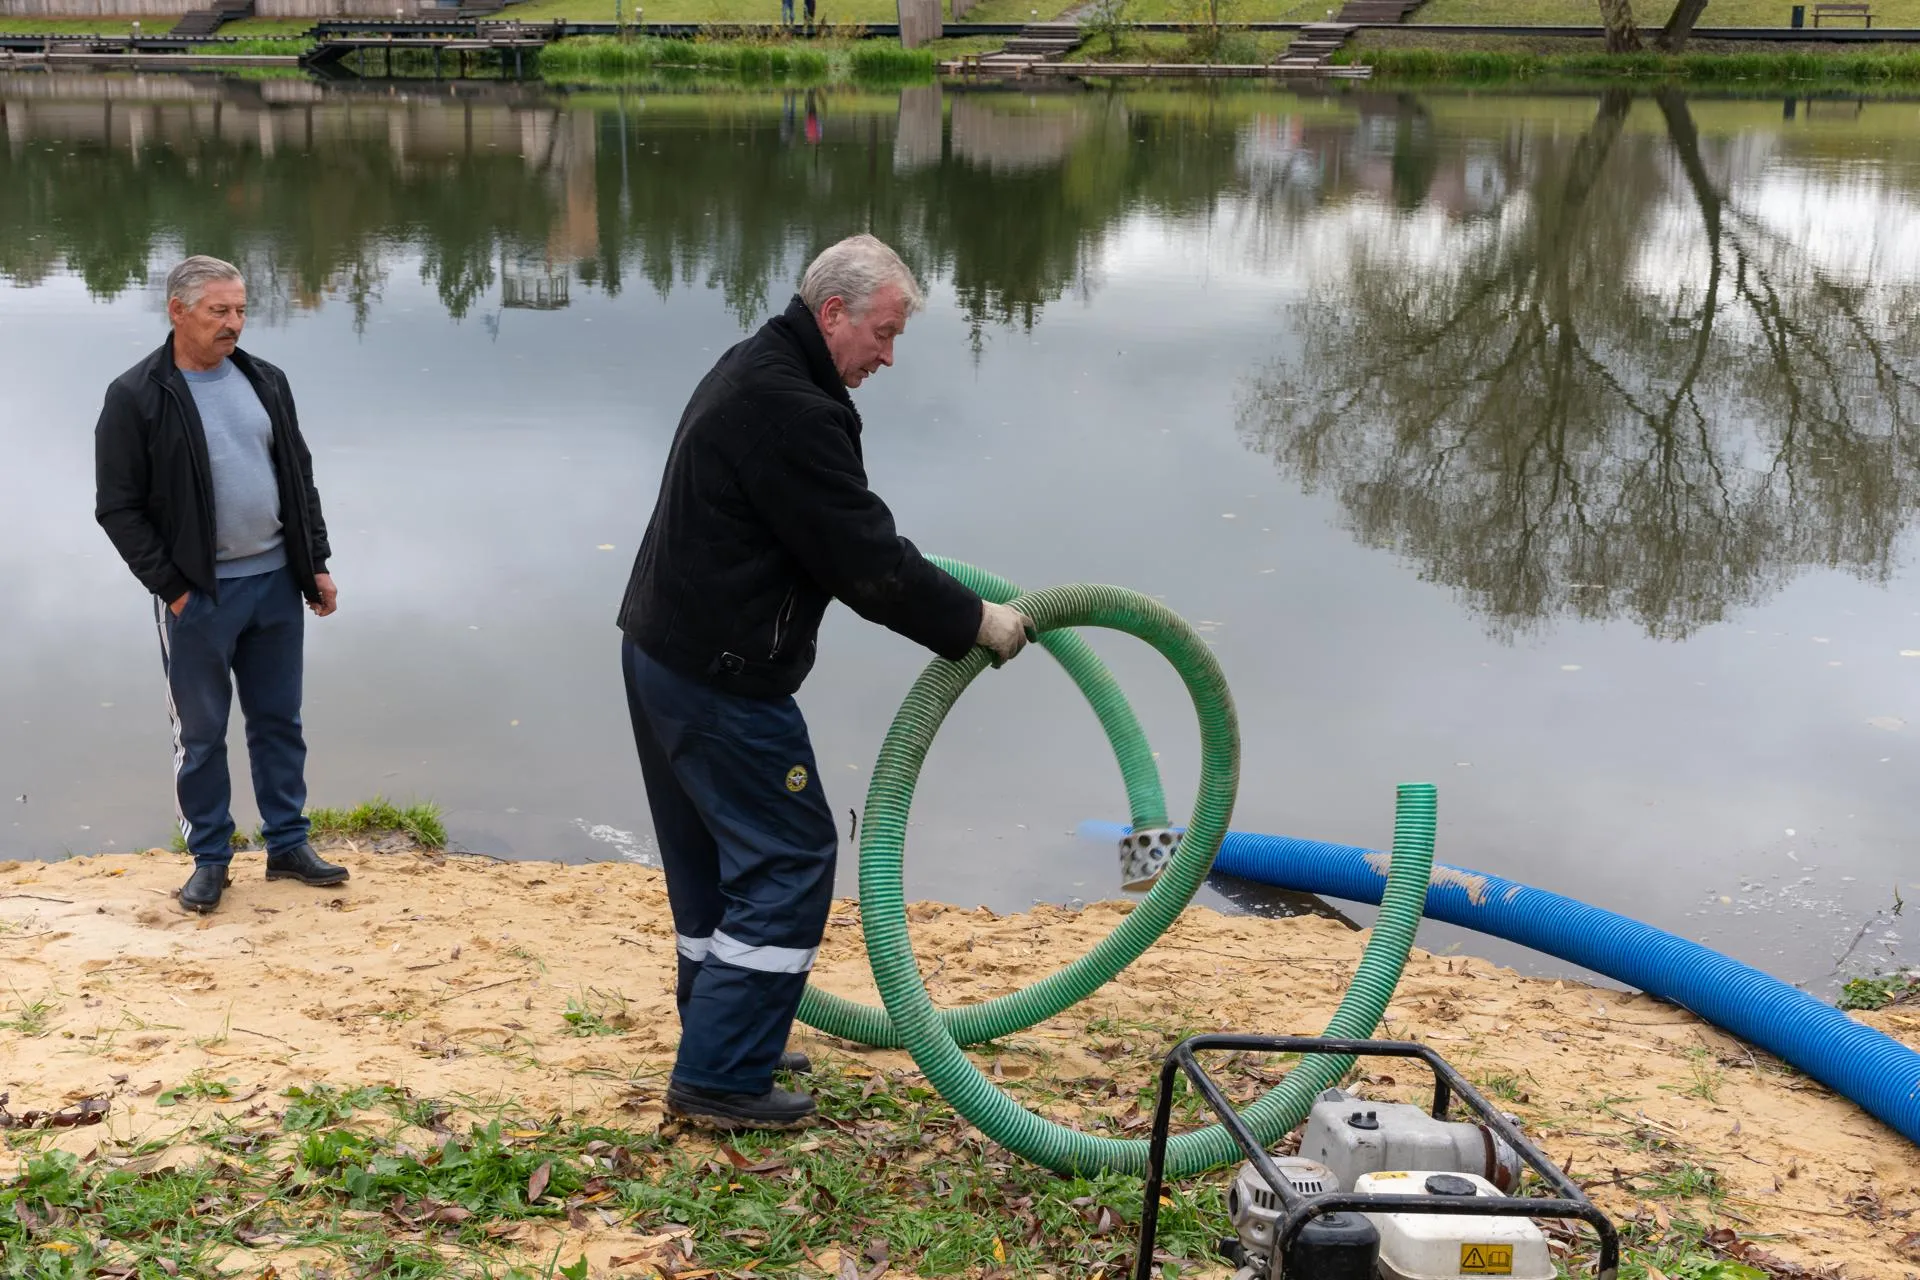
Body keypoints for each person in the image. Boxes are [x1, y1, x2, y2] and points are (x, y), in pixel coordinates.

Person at [617, 234, 1034, 1131]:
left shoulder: (758, 364)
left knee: (712, 863)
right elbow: (867, 562)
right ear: (833, 312)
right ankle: (720, 1078)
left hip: (663, 652)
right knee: (789, 854)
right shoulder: (792, 409)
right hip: (720, 676)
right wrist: (976, 622)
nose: (889, 357)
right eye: (884, 334)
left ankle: (725, 1037)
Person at [94, 255, 347, 916]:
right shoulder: (136, 395)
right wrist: (174, 590)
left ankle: (288, 844)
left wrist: (315, 563)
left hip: (276, 584)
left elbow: (298, 477)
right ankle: (210, 858)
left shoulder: (265, 380)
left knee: (279, 721)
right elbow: (118, 508)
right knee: (201, 735)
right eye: (219, 311)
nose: (234, 323)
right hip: (200, 598)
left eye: (239, 310)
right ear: (178, 312)